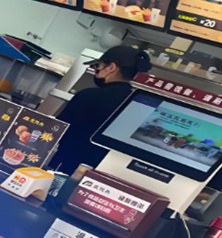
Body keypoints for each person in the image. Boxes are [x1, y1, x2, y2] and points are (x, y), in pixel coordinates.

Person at [50, 45, 152, 175]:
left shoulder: (88, 96)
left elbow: (58, 130)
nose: (96, 71)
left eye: (98, 66)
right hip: (103, 171)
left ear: (111, 67)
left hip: (66, 163)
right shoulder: (137, 105)